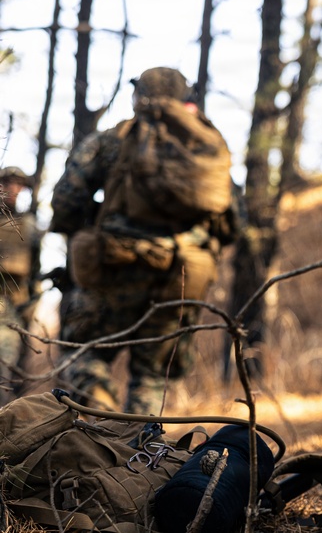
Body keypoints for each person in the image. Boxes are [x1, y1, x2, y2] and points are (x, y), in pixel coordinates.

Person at [50, 67, 234, 415]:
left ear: (138, 97)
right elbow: (231, 223)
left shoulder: (111, 141)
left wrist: (89, 224)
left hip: (113, 266)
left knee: (82, 352)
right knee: (151, 376)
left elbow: (66, 200)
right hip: (180, 276)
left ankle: (99, 409)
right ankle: (140, 440)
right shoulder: (205, 148)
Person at [0, 167, 38, 403]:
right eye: (6, 183)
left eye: (17, 184)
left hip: (12, 309)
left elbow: (34, 270)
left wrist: (30, 306)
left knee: (4, 375)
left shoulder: (28, 225)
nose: (12, 189)